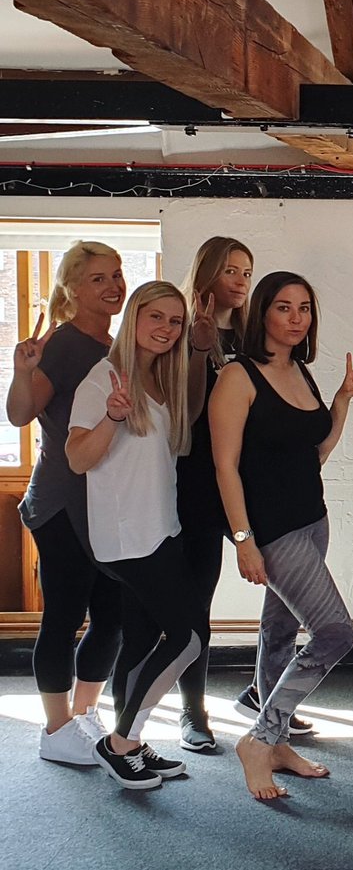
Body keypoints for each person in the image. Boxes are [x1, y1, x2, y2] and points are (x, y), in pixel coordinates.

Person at [209, 271, 353, 800]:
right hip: (273, 531)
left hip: (312, 520)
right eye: (283, 307)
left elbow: (313, 453)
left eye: (304, 308)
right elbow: (225, 467)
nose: (296, 318)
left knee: (279, 632)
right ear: (262, 313)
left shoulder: (300, 371)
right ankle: (259, 740)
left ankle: (275, 746)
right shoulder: (237, 377)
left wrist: (342, 399)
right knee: (335, 634)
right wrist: (243, 539)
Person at [66, 281, 205, 790]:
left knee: (144, 640)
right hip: (128, 539)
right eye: (156, 316)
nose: (166, 329)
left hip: (160, 530)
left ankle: (132, 741)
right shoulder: (103, 378)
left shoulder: (161, 380)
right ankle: (119, 742)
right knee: (189, 638)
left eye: (175, 321)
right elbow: (78, 458)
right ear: (134, 317)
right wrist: (111, 417)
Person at [7, 242, 127, 766]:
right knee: (64, 614)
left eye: (116, 275)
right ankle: (55, 730)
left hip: (105, 503)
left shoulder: (116, 345)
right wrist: (22, 370)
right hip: (60, 501)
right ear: (73, 288)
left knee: (112, 616)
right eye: (99, 278)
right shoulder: (60, 343)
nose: (113, 286)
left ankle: (83, 714)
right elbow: (20, 414)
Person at [172, 236, 254, 751]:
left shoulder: (252, 335)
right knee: (195, 602)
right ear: (208, 273)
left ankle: (265, 694)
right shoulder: (180, 330)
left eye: (246, 272)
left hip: (247, 482)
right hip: (196, 485)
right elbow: (182, 413)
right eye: (230, 271)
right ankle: (192, 712)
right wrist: (201, 349)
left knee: (288, 588)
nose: (241, 281)